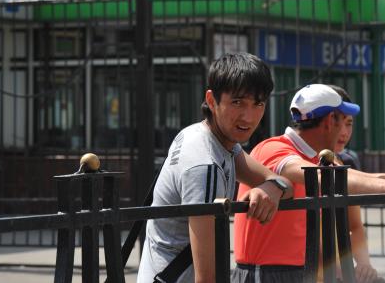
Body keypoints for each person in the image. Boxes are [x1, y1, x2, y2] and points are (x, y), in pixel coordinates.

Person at [137, 53, 293, 283]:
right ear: (211, 100)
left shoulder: (208, 137)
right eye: (237, 102)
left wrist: (273, 187)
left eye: (258, 104)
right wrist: (274, 184)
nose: (248, 116)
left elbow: (284, 183)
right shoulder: (205, 165)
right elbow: (207, 278)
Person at [233, 83, 385, 283]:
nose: (346, 131)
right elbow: (320, 176)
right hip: (267, 273)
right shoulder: (274, 149)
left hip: (301, 270)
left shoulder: (316, 157)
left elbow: (359, 177)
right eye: (344, 121)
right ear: (330, 121)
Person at [330, 85, 379, 283]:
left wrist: (364, 265)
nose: (343, 131)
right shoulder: (296, 158)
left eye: (349, 123)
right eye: (336, 122)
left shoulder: (347, 160)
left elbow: (355, 225)